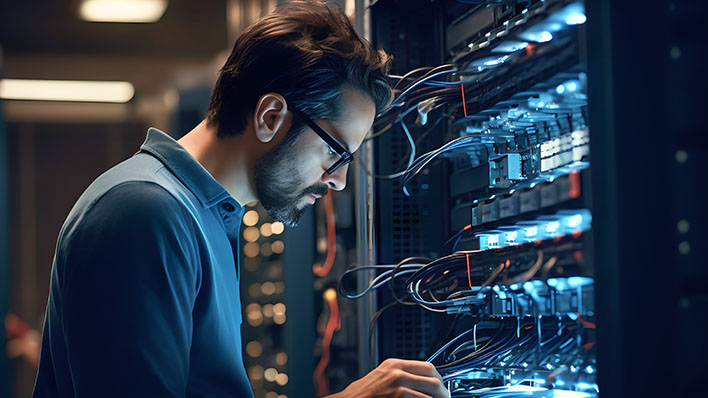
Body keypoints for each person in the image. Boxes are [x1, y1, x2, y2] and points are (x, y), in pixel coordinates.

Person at [33, 1, 450, 398]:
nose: (339, 181)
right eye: (336, 153)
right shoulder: (145, 211)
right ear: (270, 117)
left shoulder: (203, 217)